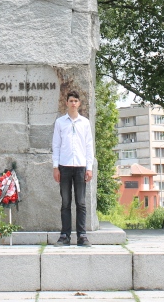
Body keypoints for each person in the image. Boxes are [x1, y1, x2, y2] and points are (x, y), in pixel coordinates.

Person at [52, 90, 94, 246]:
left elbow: (89, 145)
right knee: (65, 202)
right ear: (66, 103)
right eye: (71, 101)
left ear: (79, 103)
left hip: (81, 166)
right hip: (64, 166)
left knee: (81, 202)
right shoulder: (60, 122)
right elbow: (56, 145)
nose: (73, 103)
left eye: (76, 101)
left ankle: (82, 235)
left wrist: (89, 167)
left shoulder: (85, 123)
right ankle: (65, 236)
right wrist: (55, 167)